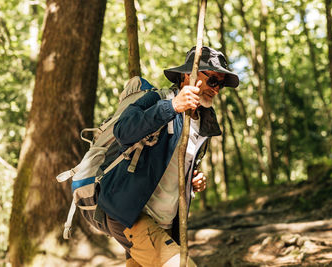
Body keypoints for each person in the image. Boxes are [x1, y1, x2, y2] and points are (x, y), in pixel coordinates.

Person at [97, 46, 239, 267]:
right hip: (131, 214)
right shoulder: (158, 99)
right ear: (186, 76)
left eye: (220, 84)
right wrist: (172, 106)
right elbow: (123, 131)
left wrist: (192, 179)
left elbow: (172, 165)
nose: (217, 90)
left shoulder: (204, 122)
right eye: (212, 81)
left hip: (164, 223)